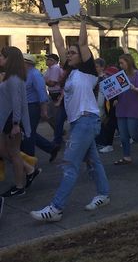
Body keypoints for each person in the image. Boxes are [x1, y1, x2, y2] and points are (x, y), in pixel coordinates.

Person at [31, 12, 110, 222]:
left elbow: (82, 42)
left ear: (82, 56)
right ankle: (103, 194)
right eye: (69, 52)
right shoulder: (72, 71)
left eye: (73, 52)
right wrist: (54, 23)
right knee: (93, 161)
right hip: (78, 123)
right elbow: (58, 44)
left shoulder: (88, 70)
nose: (69, 53)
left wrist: (83, 21)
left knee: (70, 165)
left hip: (86, 120)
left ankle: (56, 208)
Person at [0, 47, 41, 197]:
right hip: (8, 120)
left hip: (12, 121)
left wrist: (16, 124)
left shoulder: (14, 79)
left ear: (9, 59)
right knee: (7, 151)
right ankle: (30, 170)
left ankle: (19, 186)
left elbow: (17, 103)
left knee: (14, 153)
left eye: (2, 56)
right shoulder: (11, 77)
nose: (0, 59)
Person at [21, 54, 60, 162]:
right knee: (28, 131)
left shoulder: (35, 74)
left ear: (27, 63)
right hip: (26, 107)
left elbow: (42, 92)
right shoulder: (26, 74)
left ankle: (29, 160)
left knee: (28, 133)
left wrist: (44, 110)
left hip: (33, 107)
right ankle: (51, 148)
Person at [44, 53, 64, 146]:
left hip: (57, 94)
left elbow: (52, 83)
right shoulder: (50, 69)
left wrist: (44, 81)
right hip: (52, 93)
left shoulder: (55, 68)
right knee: (50, 117)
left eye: (48, 59)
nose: (46, 60)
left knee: (55, 118)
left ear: (53, 61)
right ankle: (60, 134)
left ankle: (58, 138)